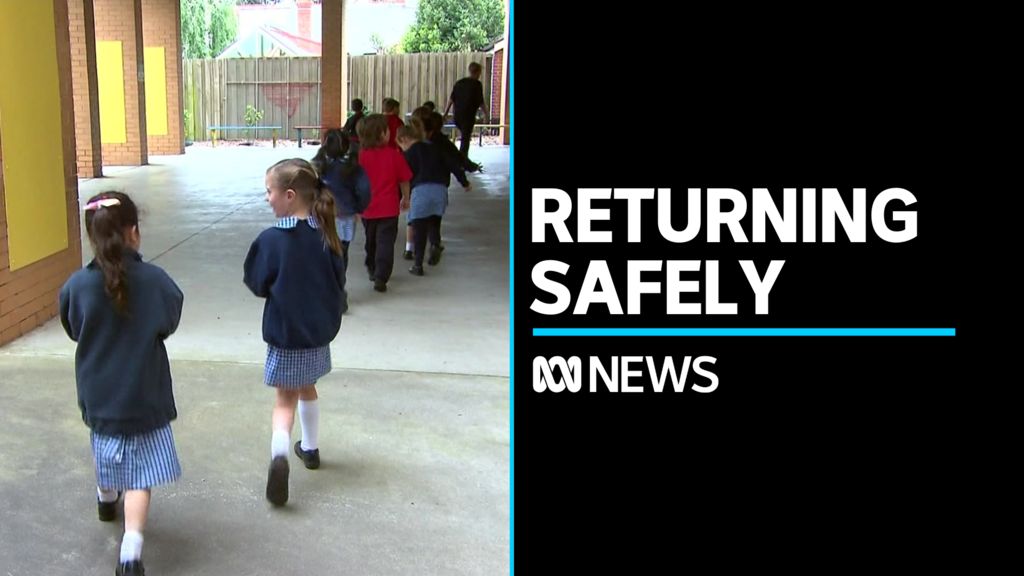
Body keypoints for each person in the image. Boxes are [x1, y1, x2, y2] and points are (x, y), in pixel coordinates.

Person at [59, 191, 184, 576]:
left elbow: (73, 328)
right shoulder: (156, 281)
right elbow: (169, 320)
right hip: (144, 395)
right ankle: (131, 548)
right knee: (140, 476)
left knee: (106, 447)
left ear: (92, 236)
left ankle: (104, 495)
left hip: (100, 395)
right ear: (134, 232)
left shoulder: (77, 286)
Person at [243, 158, 348, 507]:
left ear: (289, 196)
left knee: (284, 399)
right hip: (316, 331)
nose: (267, 198)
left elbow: (257, 283)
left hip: (286, 332)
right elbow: (338, 283)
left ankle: (280, 455)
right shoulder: (327, 235)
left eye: (269, 192)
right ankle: (311, 448)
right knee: (308, 386)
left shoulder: (272, 240)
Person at [356, 114, 412, 292]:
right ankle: (381, 276)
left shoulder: (360, 157)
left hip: (367, 208)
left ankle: (372, 267)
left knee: (370, 241)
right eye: (388, 130)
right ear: (382, 134)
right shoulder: (394, 155)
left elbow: (355, 183)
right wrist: (406, 197)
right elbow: (404, 179)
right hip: (389, 208)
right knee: (386, 242)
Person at [444, 62, 488, 171]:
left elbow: (451, 99)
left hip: (457, 116)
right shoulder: (477, 84)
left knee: (465, 138)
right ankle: (462, 162)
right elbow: (481, 102)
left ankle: (463, 161)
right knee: (465, 140)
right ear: (478, 72)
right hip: (468, 116)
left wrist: (445, 113)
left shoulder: (459, 83)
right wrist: (486, 114)